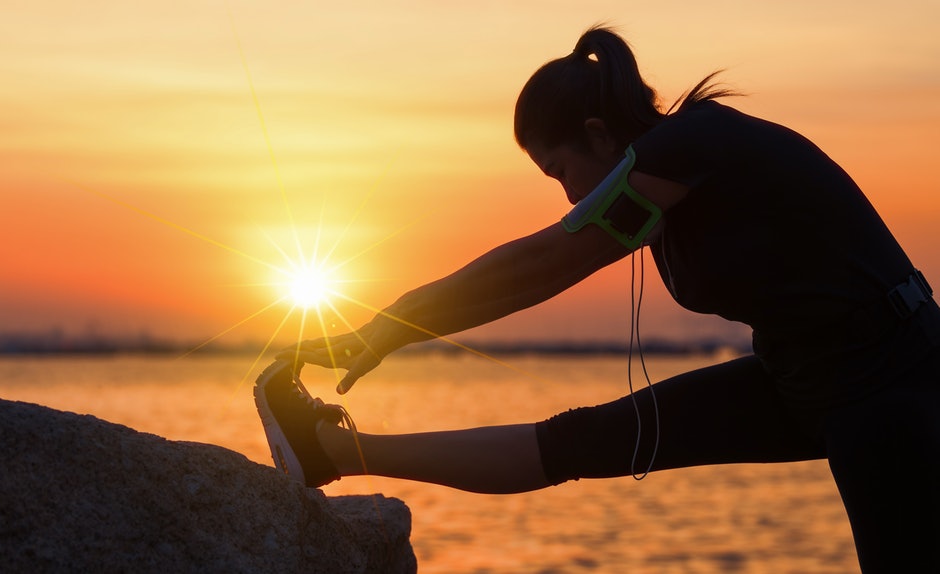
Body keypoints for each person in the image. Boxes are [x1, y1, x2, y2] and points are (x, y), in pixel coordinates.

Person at [254, 25, 940, 572]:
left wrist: (390, 324)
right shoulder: (665, 192)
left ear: (595, 134)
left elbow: (546, 262)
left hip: (890, 382)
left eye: (560, 172)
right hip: (802, 377)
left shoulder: (691, 145)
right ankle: (331, 455)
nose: (570, 197)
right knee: (583, 441)